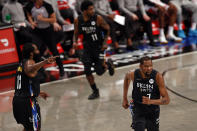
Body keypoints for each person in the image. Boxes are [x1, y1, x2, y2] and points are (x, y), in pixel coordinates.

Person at [72, 0, 115, 100]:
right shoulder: (78, 20)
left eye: (93, 8)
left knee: (99, 72)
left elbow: (108, 28)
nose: (93, 11)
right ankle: (95, 91)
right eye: (90, 9)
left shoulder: (97, 18)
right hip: (87, 49)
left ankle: (108, 64)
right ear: (84, 11)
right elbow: (76, 33)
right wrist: (75, 42)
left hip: (99, 48)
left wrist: (105, 42)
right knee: (87, 70)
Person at [12, 43, 57, 131]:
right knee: (36, 128)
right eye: (36, 50)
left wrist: (38, 92)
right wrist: (45, 62)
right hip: (27, 103)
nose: (38, 51)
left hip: (17, 102)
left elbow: (24, 84)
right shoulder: (29, 62)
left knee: (28, 128)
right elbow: (29, 69)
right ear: (31, 53)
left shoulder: (21, 64)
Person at [122, 56, 170, 131]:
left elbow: (166, 100)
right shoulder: (134, 74)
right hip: (138, 109)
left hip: (153, 111)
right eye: (146, 66)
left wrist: (151, 101)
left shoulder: (157, 76)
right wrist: (124, 98)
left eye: (151, 66)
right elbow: (126, 77)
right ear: (140, 66)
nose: (149, 68)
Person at [25, 0, 65, 76]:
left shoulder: (47, 6)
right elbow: (28, 15)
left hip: (48, 31)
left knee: (54, 50)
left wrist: (42, 19)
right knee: (36, 50)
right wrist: (32, 22)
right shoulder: (30, 5)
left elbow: (53, 19)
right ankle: (40, 70)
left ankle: (61, 67)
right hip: (37, 32)